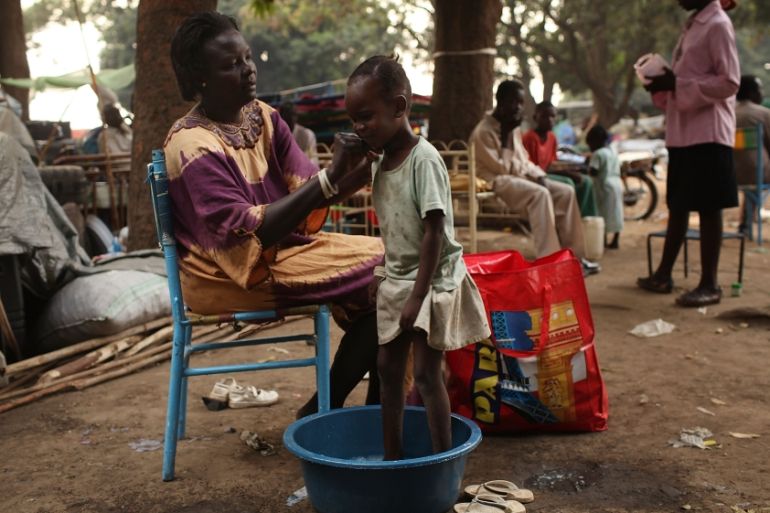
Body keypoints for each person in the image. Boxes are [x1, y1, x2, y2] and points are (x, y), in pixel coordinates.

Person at [166, 11, 384, 417]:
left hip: (281, 250)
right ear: (200, 78)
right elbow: (244, 234)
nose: (248, 70)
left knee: (400, 267)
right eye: (231, 65)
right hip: (227, 273)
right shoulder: (191, 144)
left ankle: (364, 413)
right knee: (393, 276)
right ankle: (330, 409)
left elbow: (307, 192)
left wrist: (366, 166)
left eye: (247, 58)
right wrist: (331, 178)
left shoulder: (264, 116)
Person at [345, 55, 490, 459]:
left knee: (427, 375)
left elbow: (433, 233)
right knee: (388, 369)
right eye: (353, 120)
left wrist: (417, 296)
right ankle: (394, 458)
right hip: (399, 278)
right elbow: (391, 228)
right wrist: (381, 273)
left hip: (431, 279)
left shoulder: (423, 160)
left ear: (399, 108)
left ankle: (442, 462)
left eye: (366, 117)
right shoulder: (378, 164)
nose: (359, 128)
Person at [637, 0, 740, 307]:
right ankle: (663, 274)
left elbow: (730, 81)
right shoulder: (694, 25)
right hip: (682, 133)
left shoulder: (718, 25)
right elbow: (684, 84)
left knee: (708, 208)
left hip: (709, 132)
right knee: (679, 205)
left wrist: (678, 83)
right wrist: (662, 86)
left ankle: (710, 284)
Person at [469, 80, 596, 272]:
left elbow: (525, 161)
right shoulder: (483, 132)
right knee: (540, 195)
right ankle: (550, 261)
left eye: (521, 103)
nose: (519, 108)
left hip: (517, 178)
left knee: (566, 191)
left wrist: (539, 176)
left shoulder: (512, 128)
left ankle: (574, 257)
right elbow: (502, 169)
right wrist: (504, 139)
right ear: (501, 102)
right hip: (494, 182)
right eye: (515, 102)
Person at [522, 101, 598, 217]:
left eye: (552, 116)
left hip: (547, 172)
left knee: (586, 181)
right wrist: (568, 173)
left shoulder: (552, 138)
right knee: (568, 183)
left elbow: (552, 163)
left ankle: (585, 217)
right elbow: (535, 168)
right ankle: (566, 217)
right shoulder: (530, 138)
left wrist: (575, 169)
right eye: (545, 116)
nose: (549, 120)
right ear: (535, 117)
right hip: (535, 176)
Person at [586, 125, 623, 249]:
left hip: (604, 187)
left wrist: (586, 168)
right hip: (617, 184)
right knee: (616, 211)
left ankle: (603, 241)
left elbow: (594, 172)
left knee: (602, 213)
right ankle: (616, 239)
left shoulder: (597, 154)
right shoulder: (612, 151)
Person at [734, 75, 770, 187]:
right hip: (759, 173)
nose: (762, 93)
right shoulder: (764, 113)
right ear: (752, 93)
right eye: (760, 89)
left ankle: (749, 204)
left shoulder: (729, 114)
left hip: (731, 173)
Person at [279, 101, 319, 166]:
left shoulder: (308, 134)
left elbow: (313, 162)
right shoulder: (275, 136)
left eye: (292, 115)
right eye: (286, 115)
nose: (290, 118)